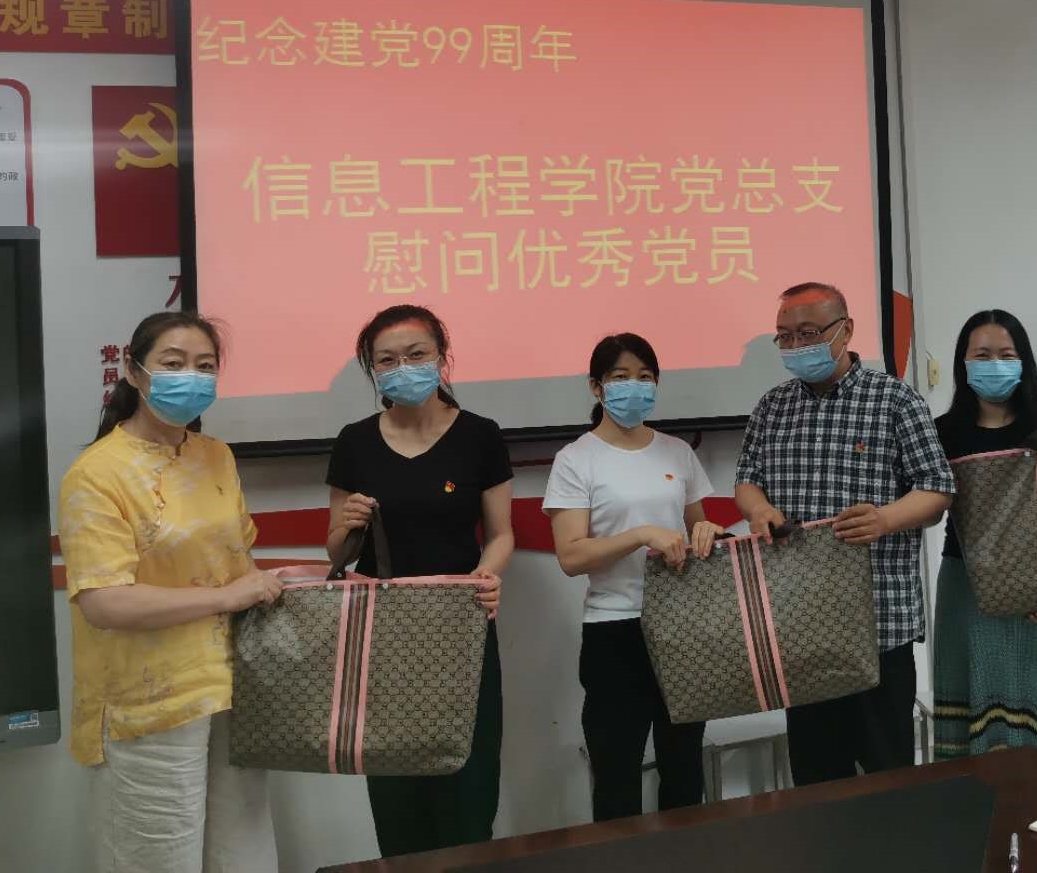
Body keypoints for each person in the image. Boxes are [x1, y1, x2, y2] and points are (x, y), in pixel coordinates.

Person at [57, 311, 280, 873]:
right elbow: (105, 602)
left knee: (243, 854)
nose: (192, 378)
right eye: (173, 364)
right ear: (135, 372)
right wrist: (227, 598)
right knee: (158, 859)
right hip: (149, 702)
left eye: (205, 366)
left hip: (233, 687)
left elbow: (238, 561)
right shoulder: (96, 472)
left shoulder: (216, 455)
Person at [735, 283, 955, 784]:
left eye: (809, 333)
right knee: (816, 780)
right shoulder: (773, 407)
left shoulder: (895, 400)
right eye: (785, 337)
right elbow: (747, 478)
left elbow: (937, 489)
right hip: (801, 625)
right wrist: (760, 508)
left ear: (846, 330)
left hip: (879, 625)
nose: (797, 346)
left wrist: (885, 519)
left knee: (887, 777)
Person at [325, 305, 515, 858]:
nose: (402, 367)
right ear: (373, 370)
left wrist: (487, 574)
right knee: (397, 796)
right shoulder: (355, 441)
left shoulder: (479, 435)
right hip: (382, 637)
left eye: (416, 354)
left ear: (441, 357)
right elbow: (336, 550)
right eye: (387, 360)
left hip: (460, 628)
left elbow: (501, 534)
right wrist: (348, 524)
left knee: (469, 790)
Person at [543, 333, 719, 822]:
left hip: (684, 627)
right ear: (596, 387)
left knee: (684, 770)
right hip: (615, 630)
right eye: (620, 377)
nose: (634, 387)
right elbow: (571, 556)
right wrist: (640, 534)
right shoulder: (576, 459)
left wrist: (707, 531)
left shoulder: (677, 452)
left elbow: (697, 528)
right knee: (617, 775)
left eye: (645, 377)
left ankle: (685, 855)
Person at [931, 309, 1037, 762]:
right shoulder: (941, 432)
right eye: (982, 355)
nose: (994, 364)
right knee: (969, 696)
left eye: (1006, 354)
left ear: (1024, 362)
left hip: (1035, 589)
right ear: (963, 362)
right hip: (964, 584)